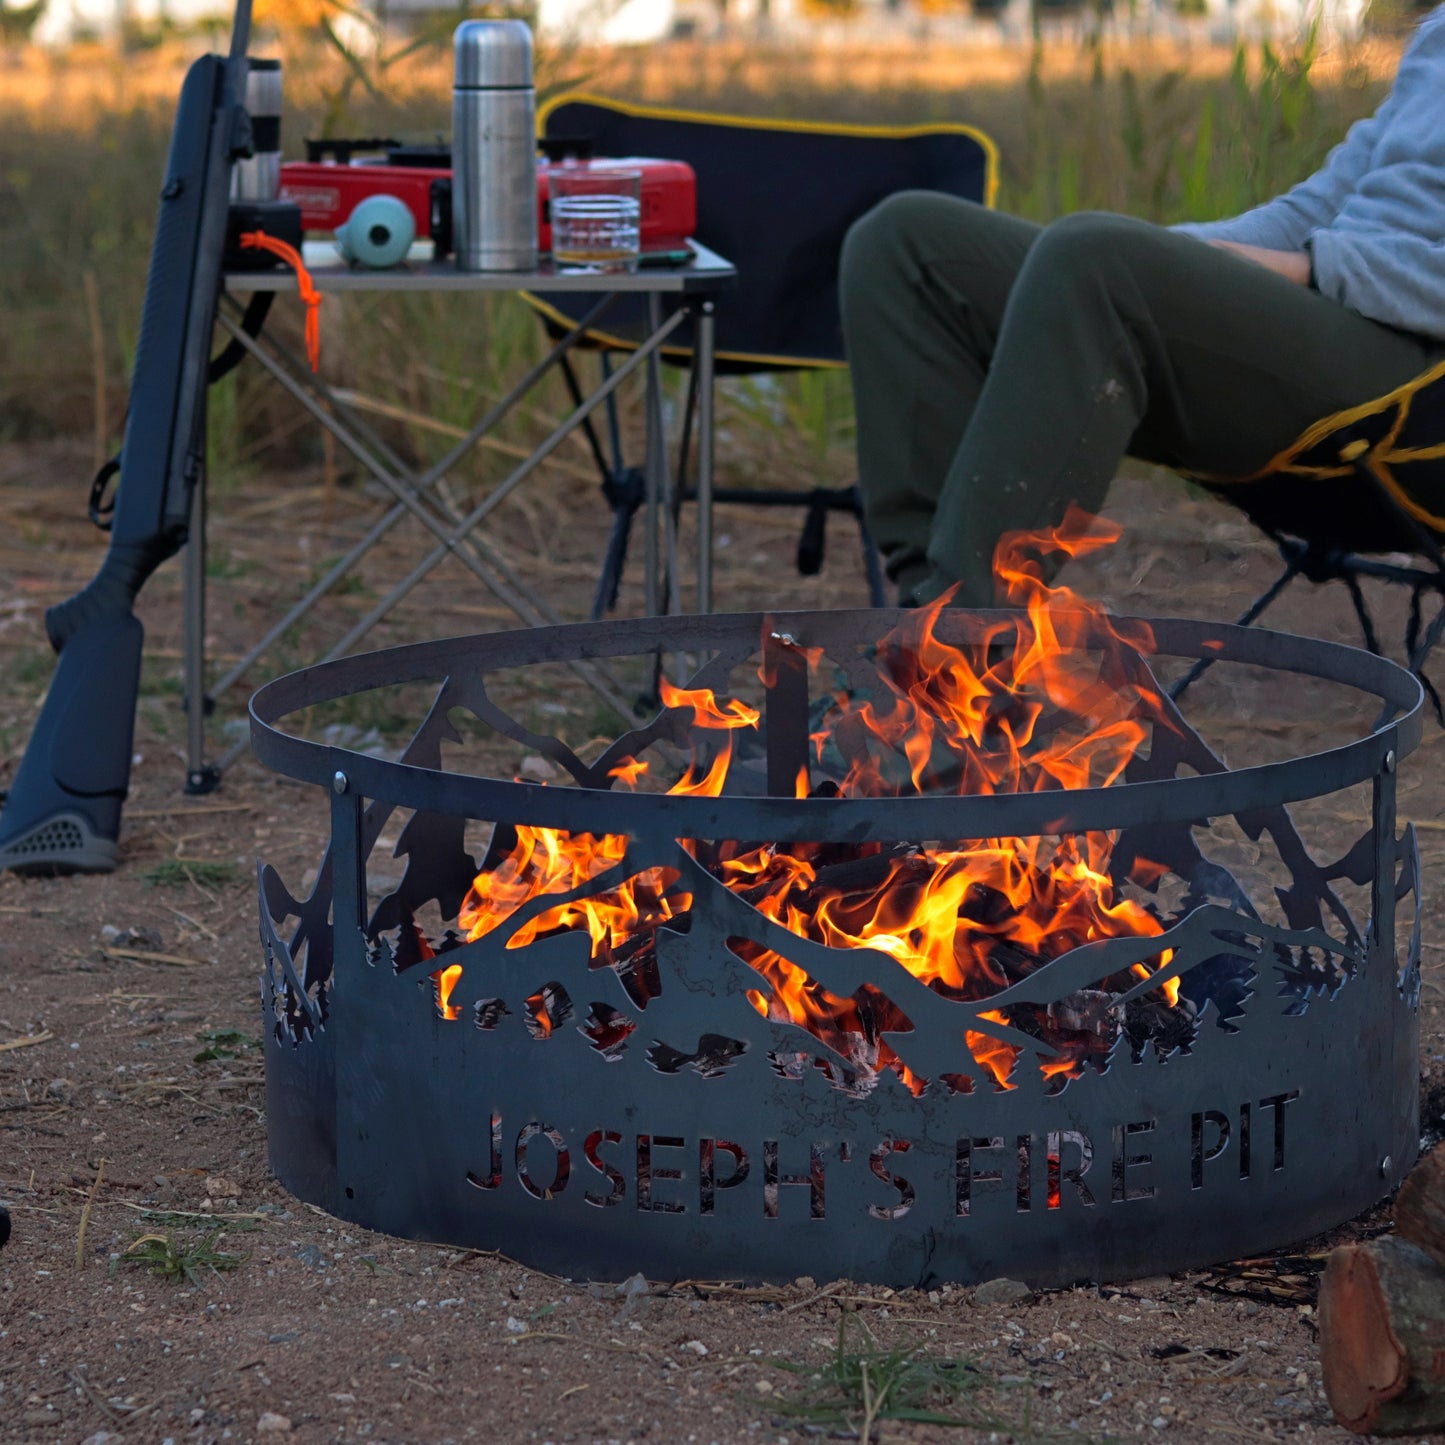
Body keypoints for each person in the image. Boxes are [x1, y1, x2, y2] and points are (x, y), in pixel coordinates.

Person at [839, 5, 1445, 608]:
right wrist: (1152, 259)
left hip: (1414, 390)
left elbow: (1314, 249)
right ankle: (927, 624)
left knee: (1094, 262)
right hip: (1338, 341)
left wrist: (1313, 269)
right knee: (911, 245)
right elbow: (1317, 208)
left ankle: (962, 651)